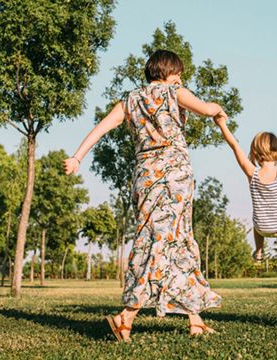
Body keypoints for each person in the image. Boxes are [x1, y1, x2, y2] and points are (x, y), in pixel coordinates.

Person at [64, 49, 225, 341]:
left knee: (172, 240)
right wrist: (218, 110)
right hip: (174, 177)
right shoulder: (175, 91)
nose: (180, 76)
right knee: (163, 243)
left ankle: (195, 319)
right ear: (167, 72)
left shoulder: (131, 99)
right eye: (178, 71)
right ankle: (125, 316)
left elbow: (101, 128)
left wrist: (77, 157)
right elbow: (206, 108)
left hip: (145, 177)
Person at [214, 113, 277, 262]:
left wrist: (222, 124)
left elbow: (234, 146)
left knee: (257, 223)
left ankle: (259, 251)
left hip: (262, 227)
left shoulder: (252, 173)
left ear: (254, 152)